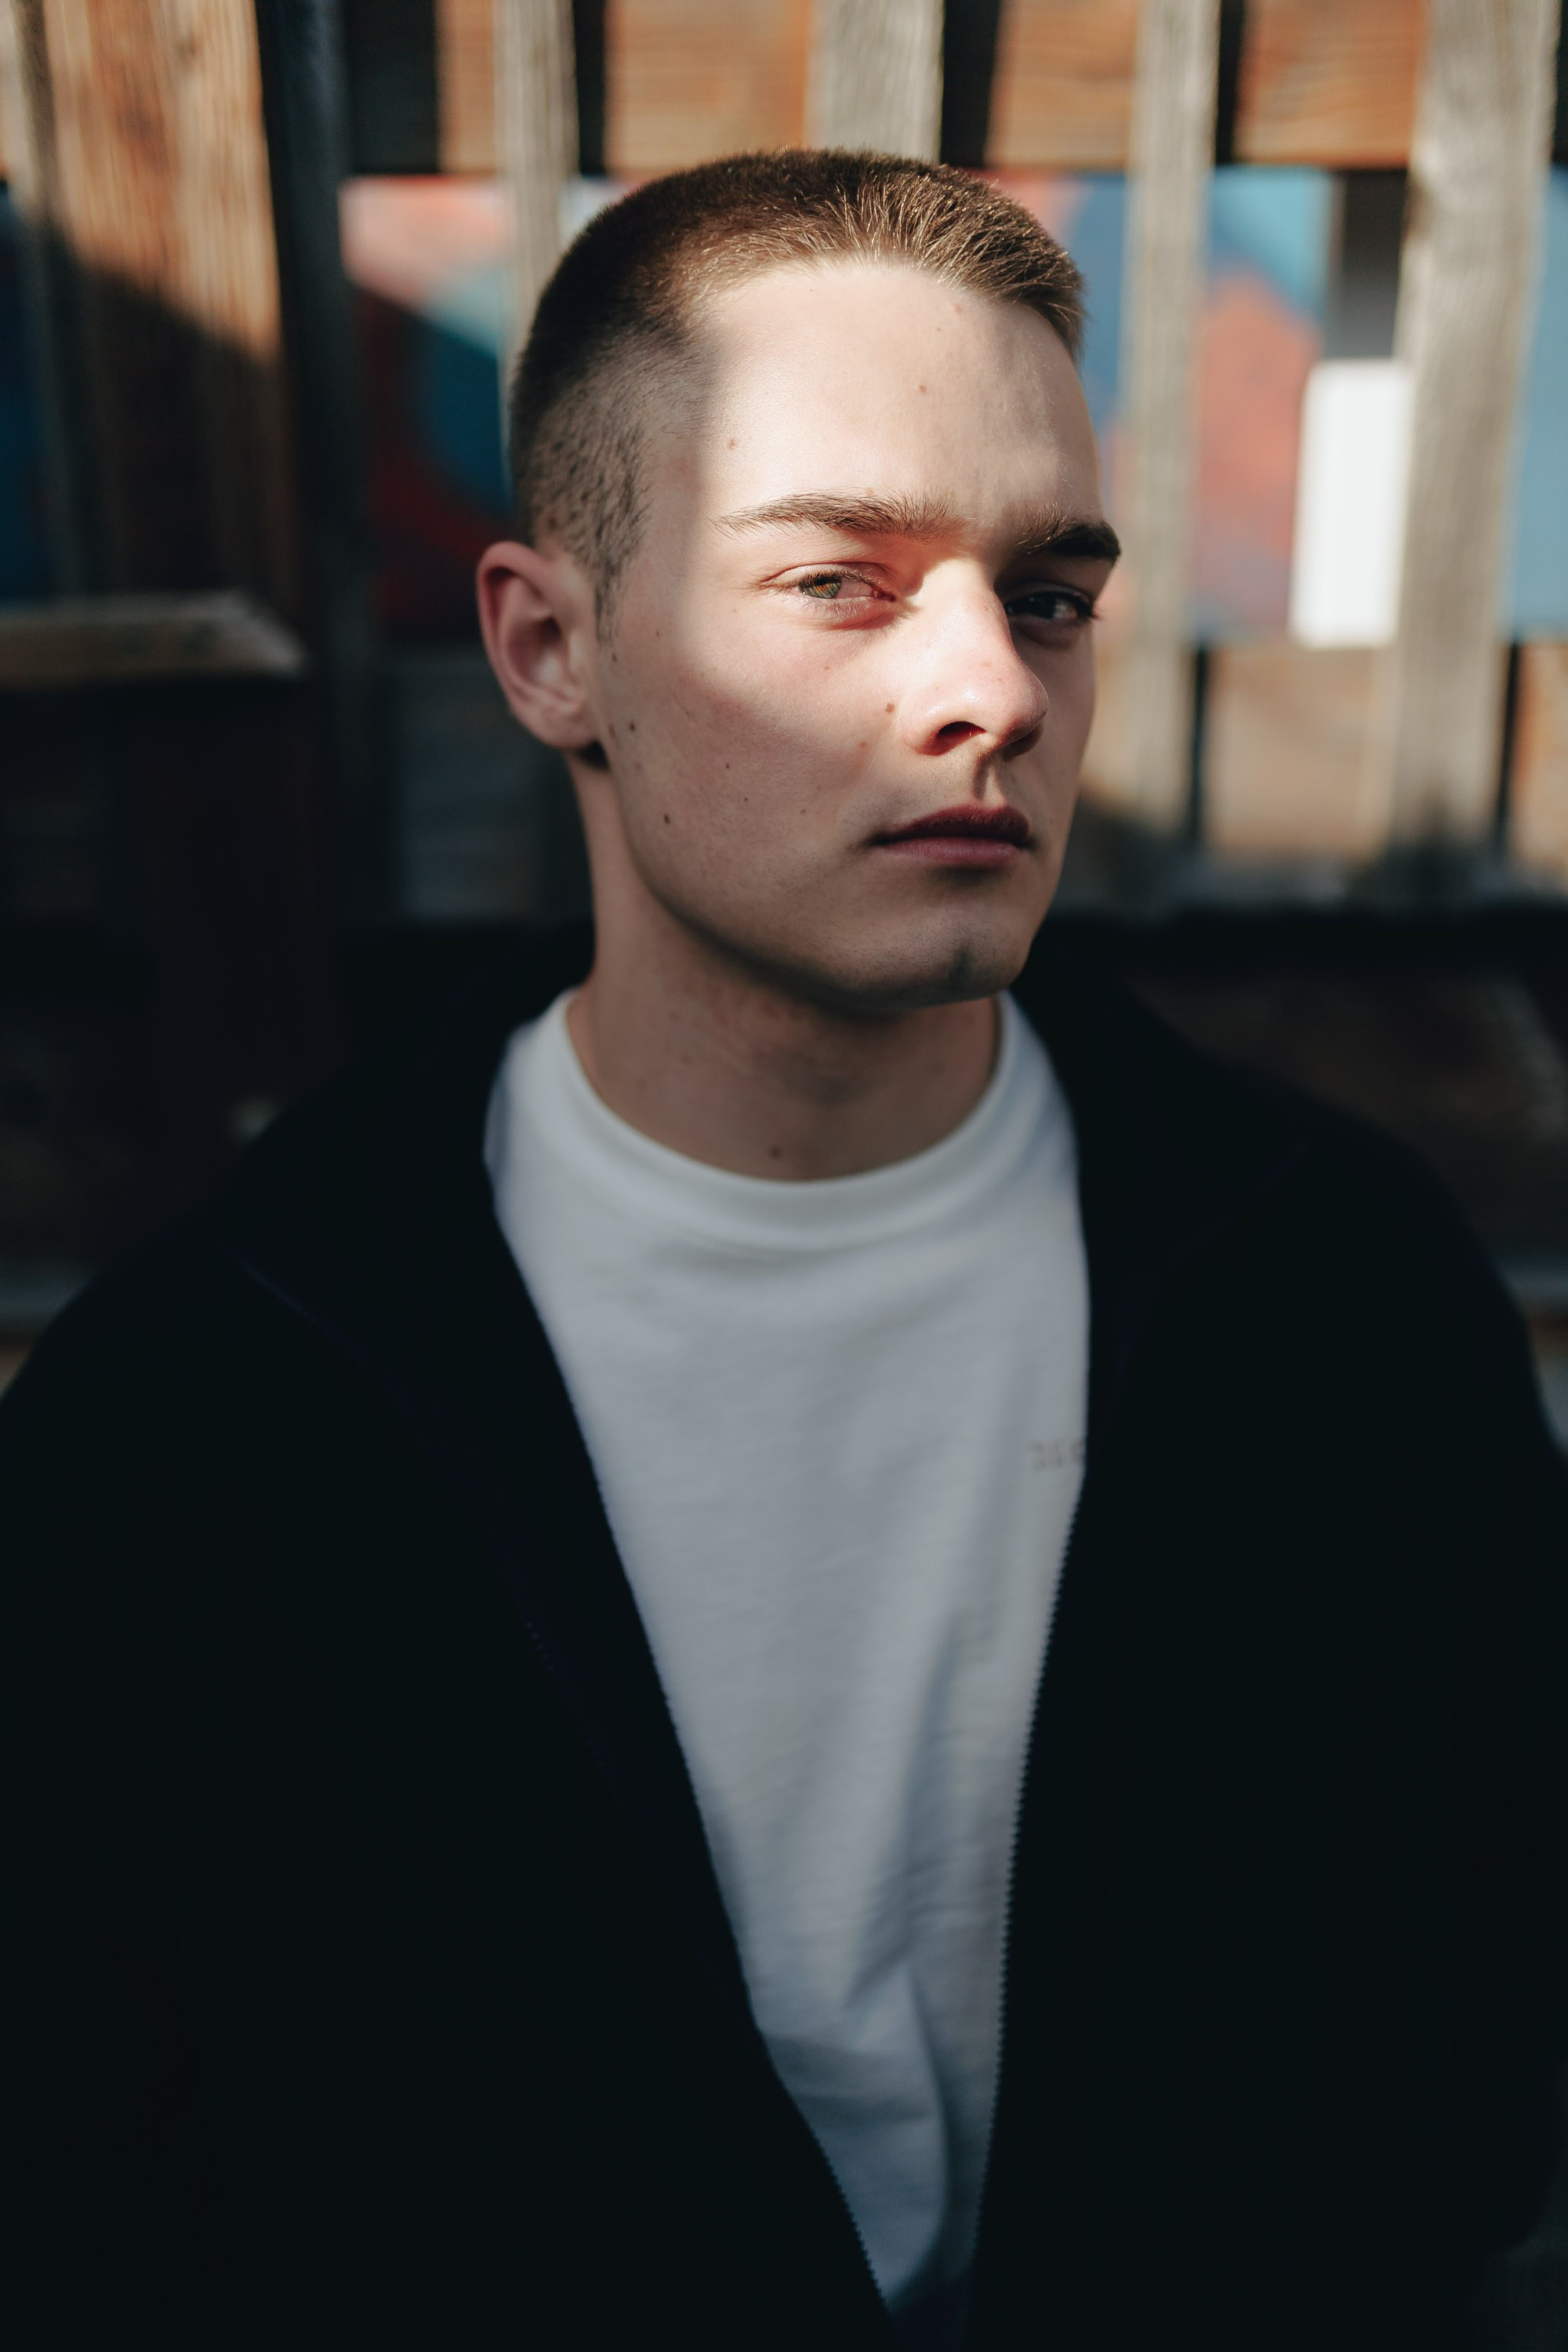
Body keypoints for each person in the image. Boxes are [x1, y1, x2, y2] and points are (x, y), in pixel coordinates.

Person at [2, 151, 1566, 2352]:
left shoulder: (1340, 1308)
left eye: (1049, 592)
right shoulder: (207, 1416)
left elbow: (1492, 2066)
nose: (995, 691)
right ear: (552, 650)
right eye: (842, 581)